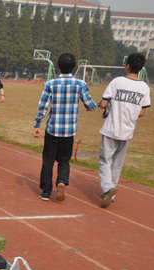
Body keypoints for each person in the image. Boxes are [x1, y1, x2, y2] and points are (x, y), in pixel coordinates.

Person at [33, 53, 96, 201]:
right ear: (74, 67)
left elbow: (43, 106)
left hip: (52, 129)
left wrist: (37, 124)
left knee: (48, 160)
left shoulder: (51, 84)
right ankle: (61, 181)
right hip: (69, 131)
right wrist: (89, 107)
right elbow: (90, 104)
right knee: (64, 160)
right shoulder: (80, 84)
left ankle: (46, 191)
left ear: (58, 66)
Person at [97, 53, 151, 208]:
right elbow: (142, 112)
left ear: (127, 66)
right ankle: (111, 191)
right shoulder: (144, 87)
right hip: (128, 131)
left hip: (111, 129)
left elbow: (102, 104)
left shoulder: (117, 81)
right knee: (117, 163)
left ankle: (108, 188)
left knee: (105, 160)